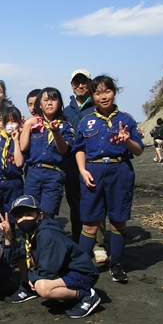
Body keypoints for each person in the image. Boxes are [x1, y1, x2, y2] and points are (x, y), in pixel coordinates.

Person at [74, 75, 144, 283]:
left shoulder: (127, 119)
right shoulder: (86, 121)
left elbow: (139, 150)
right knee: (90, 223)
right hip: (93, 172)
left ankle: (116, 264)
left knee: (118, 220)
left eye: (107, 91)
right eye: (98, 93)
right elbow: (79, 149)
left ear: (114, 92)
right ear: (92, 95)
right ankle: (81, 266)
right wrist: (82, 170)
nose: (103, 97)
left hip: (119, 170)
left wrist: (127, 141)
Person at [0, 195, 101, 318]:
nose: (24, 219)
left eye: (28, 214)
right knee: (24, 256)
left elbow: (48, 269)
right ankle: (28, 288)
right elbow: (13, 259)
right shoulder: (28, 234)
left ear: (40, 215)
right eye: (19, 217)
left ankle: (86, 295)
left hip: (82, 273)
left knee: (42, 287)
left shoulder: (48, 234)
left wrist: (32, 277)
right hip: (63, 271)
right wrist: (8, 238)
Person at [63, 69, 103, 252]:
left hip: (94, 163)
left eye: (83, 82)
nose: (80, 86)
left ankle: (100, 244)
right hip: (71, 165)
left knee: (96, 202)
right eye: (76, 83)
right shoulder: (66, 111)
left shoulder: (97, 106)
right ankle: (79, 242)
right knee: (74, 205)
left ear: (90, 83)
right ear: (71, 86)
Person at [19, 87, 73, 218]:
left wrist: (56, 132)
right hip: (33, 172)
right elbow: (23, 147)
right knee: (30, 213)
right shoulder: (32, 125)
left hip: (53, 174)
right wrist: (27, 125)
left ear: (59, 103)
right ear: (40, 105)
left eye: (54, 99)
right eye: (46, 100)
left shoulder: (65, 126)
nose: (49, 103)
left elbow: (64, 149)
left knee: (47, 215)